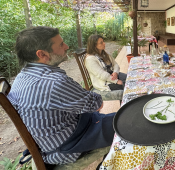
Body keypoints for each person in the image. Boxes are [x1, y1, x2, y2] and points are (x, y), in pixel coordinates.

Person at [7, 26, 116, 165]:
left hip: (51, 143)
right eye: (60, 44)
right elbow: (96, 104)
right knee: (128, 123)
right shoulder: (53, 82)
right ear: (42, 54)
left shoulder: (21, 77)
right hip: (68, 146)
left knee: (119, 119)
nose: (66, 46)